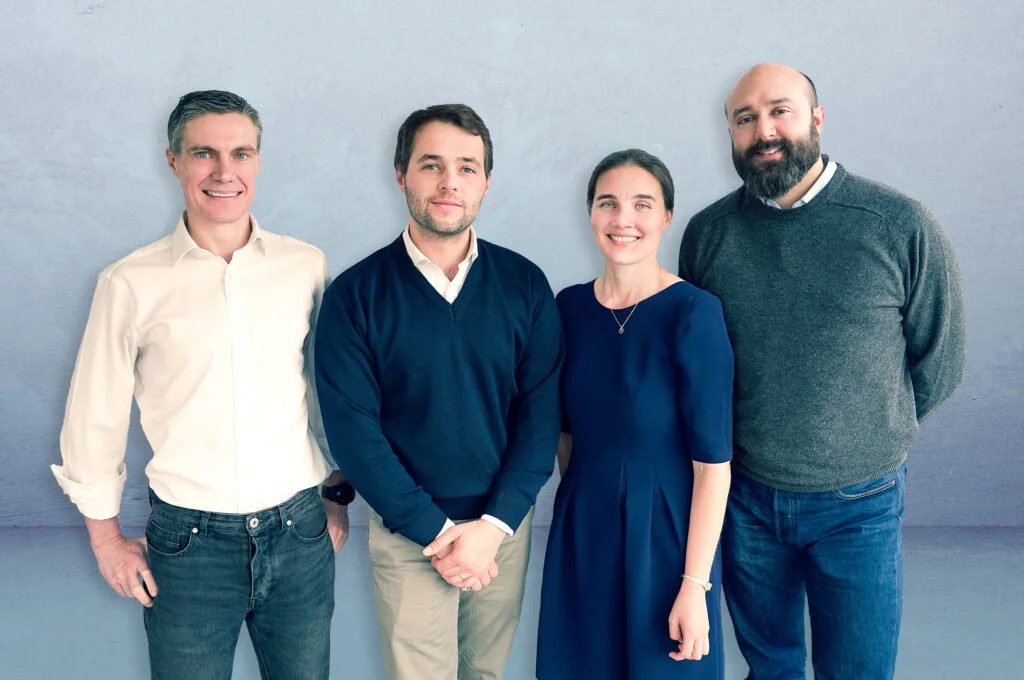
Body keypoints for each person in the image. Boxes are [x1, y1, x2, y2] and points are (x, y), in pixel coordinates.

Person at [679, 64, 967, 680]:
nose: (764, 130)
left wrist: (866, 429)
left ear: (817, 118)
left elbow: (941, 359)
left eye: (780, 111)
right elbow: (698, 368)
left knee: (858, 671)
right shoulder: (708, 235)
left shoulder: (899, 224)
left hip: (859, 503)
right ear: (730, 132)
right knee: (771, 669)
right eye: (745, 118)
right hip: (746, 500)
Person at [50, 90, 351, 680]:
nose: (224, 172)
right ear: (174, 161)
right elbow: (94, 414)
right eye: (204, 153)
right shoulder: (130, 282)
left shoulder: (304, 266)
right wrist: (105, 539)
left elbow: (325, 391)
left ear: (258, 161)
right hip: (188, 546)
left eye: (240, 154)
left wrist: (333, 495)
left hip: (300, 533)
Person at [314, 103, 564, 680]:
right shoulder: (355, 295)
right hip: (409, 533)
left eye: (467, 167)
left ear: (486, 181)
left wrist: (493, 527)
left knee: (485, 675)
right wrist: (439, 533)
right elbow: (354, 434)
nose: (450, 182)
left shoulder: (525, 284)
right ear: (401, 174)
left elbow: (540, 417)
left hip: (502, 530)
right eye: (431, 165)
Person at [537, 149, 734, 679]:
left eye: (642, 204)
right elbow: (564, 435)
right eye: (608, 203)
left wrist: (695, 585)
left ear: (666, 216)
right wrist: (587, 503)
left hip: (668, 536)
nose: (623, 219)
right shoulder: (568, 308)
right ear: (590, 214)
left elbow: (713, 467)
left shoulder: (694, 312)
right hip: (584, 525)